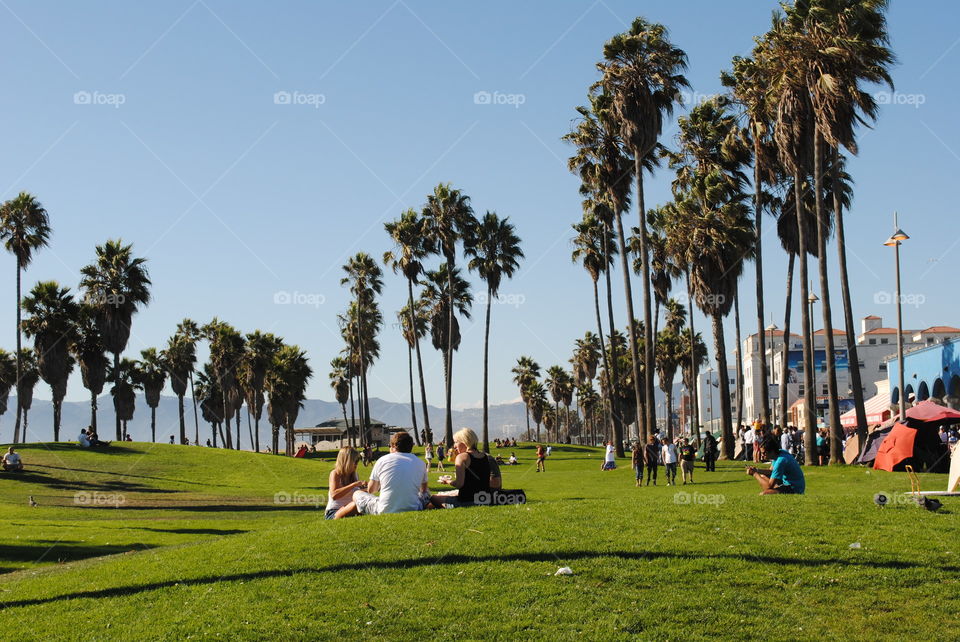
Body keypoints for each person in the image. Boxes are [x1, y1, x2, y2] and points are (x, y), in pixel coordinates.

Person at [346, 431, 428, 516]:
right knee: (425, 494)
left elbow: (371, 490)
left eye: (389, 446)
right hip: (414, 507)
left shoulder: (382, 460)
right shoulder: (421, 463)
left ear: (393, 446)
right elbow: (424, 490)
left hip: (384, 509)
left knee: (357, 494)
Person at [435, 428, 502, 507]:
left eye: (456, 442)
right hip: (483, 498)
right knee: (441, 497)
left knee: (433, 498)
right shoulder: (485, 457)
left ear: (464, 442)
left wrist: (447, 481)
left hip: (467, 500)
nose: (454, 446)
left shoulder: (462, 457)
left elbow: (459, 484)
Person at [327, 447, 367, 519]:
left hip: (350, 508)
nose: (356, 464)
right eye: (355, 461)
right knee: (357, 504)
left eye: (358, 461)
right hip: (334, 512)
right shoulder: (335, 474)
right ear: (347, 461)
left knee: (365, 502)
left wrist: (367, 488)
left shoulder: (355, 475)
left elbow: (356, 493)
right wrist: (353, 485)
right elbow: (334, 495)